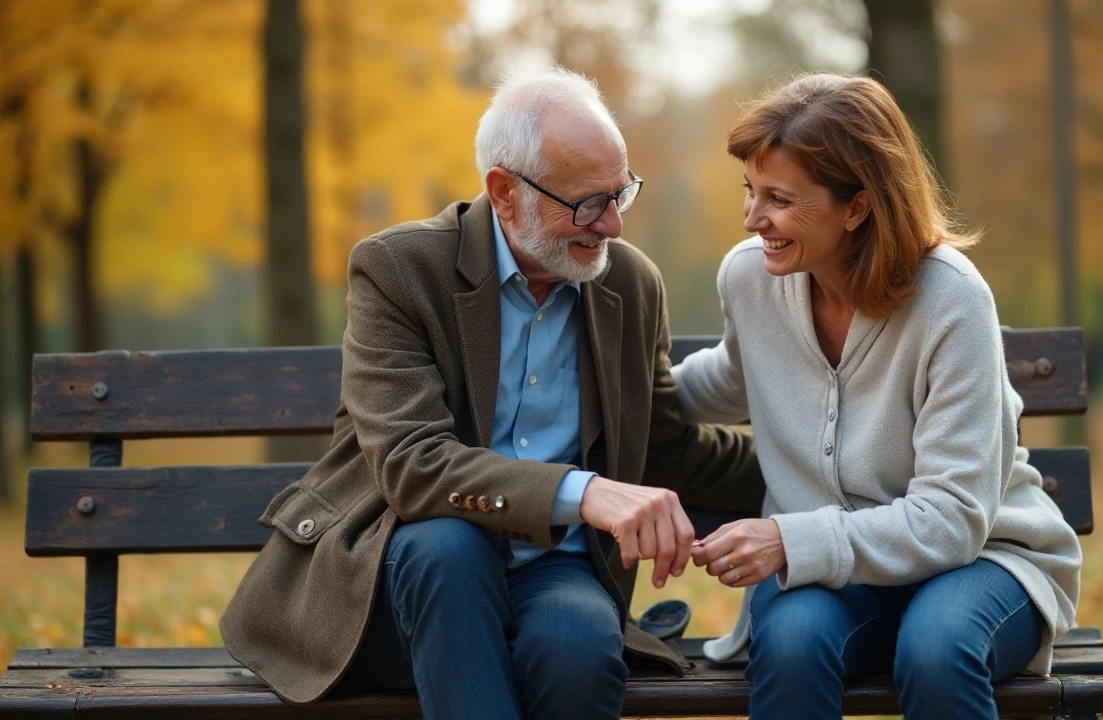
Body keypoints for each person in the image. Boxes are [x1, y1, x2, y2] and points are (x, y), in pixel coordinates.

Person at [220, 67, 762, 720]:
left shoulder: (630, 285)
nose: (614, 225)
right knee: (451, 547)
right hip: (396, 574)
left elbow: (667, 449)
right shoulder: (400, 270)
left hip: (552, 567)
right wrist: (586, 492)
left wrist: (839, 472)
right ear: (504, 193)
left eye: (622, 195)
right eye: (589, 203)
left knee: (579, 649)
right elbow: (412, 463)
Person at [676, 74, 1083, 720]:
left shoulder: (951, 301)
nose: (753, 220)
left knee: (936, 648)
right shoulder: (751, 277)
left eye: (779, 199)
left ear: (857, 207)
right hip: (835, 582)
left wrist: (788, 539)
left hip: (979, 560)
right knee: (788, 645)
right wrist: (613, 388)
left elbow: (951, 519)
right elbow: (727, 378)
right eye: (749, 191)